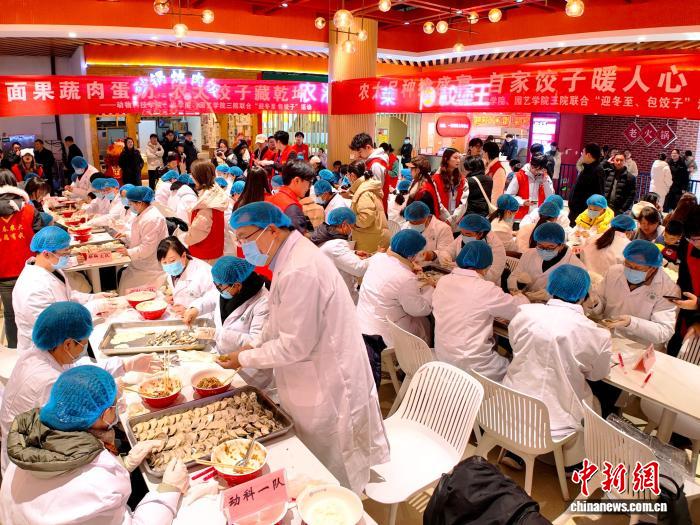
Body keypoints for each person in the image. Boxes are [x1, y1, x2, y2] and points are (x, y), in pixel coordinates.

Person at [221, 202, 389, 492]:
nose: (242, 246)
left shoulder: (300, 269)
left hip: (328, 379)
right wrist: (253, 344)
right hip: (311, 372)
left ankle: (339, 501)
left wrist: (245, 358)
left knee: (333, 465)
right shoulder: (288, 257)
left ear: (271, 230)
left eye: (246, 238)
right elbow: (278, 316)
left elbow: (293, 346)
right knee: (314, 460)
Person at [1, 364, 187, 525]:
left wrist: (124, 464)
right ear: (105, 414)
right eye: (114, 406)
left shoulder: (28, 446)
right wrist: (168, 492)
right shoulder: (101, 486)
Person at [0, 301, 152, 474]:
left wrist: (125, 364)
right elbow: (76, 429)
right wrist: (113, 406)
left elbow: (78, 370)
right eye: (83, 344)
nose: (82, 349)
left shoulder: (42, 353)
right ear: (68, 344)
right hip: (37, 463)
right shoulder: (48, 382)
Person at [502, 265, 612, 466]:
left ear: (550, 288)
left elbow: (515, 345)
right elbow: (597, 375)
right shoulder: (596, 333)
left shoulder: (525, 313)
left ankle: (515, 452)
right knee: (592, 401)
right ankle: (572, 464)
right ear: (585, 296)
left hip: (508, 409)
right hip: (554, 423)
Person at [434, 240, 529, 381]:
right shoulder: (485, 289)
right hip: (473, 365)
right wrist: (520, 295)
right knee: (515, 371)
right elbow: (519, 309)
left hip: (443, 356)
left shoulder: (443, 281)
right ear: (487, 265)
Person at [587, 240, 679, 348]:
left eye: (637, 268)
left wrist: (631, 323)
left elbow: (663, 332)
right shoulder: (614, 272)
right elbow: (601, 305)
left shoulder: (668, 289)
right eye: (628, 265)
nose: (630, 270)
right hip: (608, 335)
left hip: (639, 346)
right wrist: (595, 303)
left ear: (653, 268)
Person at [357, 228, 434, 354]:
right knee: (424, 323)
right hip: (383, 336)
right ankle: (420, 358)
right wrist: (431, 288)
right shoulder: (405, 277)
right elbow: (419, 310)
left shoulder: (378, 258)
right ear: (412, 255)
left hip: (363, 323)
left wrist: (409, 267)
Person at [183, 256, 269, 367]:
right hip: (222, 355)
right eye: (216, 285)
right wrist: (195, 309)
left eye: (219, 286)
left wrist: (216, 334)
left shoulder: (263, 302)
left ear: (237, 285)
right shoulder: (227, 287)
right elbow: (212, 297)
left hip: (247, 367)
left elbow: (256, 341)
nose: (218, 289)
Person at [0, 172, 41, 349]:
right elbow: (41, 240)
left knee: (11, 315)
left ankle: (15, 353)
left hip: (3, 274)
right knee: (36, 312)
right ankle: (41, 353)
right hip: (30, 271)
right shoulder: (29, 210)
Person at [507, 222, 586, 297]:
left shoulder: (574, 264)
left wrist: (552, 297)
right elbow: (513, 276)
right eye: (540, 246)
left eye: (550, 247)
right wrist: (517, 285)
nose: (544, 250)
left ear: (561, 246)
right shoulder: (529, 254)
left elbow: (578, 293)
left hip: (554, 305)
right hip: (524, 300)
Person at [117, 186, 168, 294]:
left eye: (131, 203)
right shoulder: (143, 214)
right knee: (125, 281)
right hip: (141, 263)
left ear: (140, 203)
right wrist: (127, 235)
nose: (129, 206)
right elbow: (141, 236)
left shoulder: (152, 219)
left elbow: (148, 248)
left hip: (150, 266)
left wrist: (128, 252)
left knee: (131, 289)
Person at [310, 208, 368, 303]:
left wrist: (353, 253)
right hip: (338, 298)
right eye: (352, 226)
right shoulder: (336, 245)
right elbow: (359, 268)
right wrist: (377, 257)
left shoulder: (325, 236)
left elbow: (333, 254)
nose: (352, 230)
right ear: (344, 225)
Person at [667, 206, 700, 356]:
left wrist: (698, 305)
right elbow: (684, 280)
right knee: (676, 350)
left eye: (697, 239)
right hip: (687, 312)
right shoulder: (687, 245)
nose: (693, 243)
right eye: (689, 238)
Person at [438, 214, 506, 285]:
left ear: (480, 234)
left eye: (468, 234)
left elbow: (491, 276)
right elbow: (449, 250)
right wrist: (445, 256)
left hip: (483, 286)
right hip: (460, 282)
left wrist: (462, 271)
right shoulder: (464, 235)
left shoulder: (496, 246)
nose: (464, 237)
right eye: (462, 233)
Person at [156, 236, 215, 316]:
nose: (169, 265)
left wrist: (191, 310)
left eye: (172, 260)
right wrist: (174, 298)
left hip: (201, 319)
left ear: (183, 256)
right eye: (164, 262)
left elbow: (214, 302)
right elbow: (181, 290)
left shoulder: (204, 272)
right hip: (180, 316)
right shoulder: (175, 270)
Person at [186, 160, 228, 264]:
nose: (191, 176)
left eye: (192, 174)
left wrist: (185, 239)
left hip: (204, 253)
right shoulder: (215, 193)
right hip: (215, 249)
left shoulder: (207, 204)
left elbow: (198, 232)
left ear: (198, 177)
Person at [348, 160, 389, 252]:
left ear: (352, 175)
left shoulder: (364, 192)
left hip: (371, 240)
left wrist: (351, 221)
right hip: (376, 235)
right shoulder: (367, 187)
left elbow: (365, 219)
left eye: (347, 175)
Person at [265, 159, 314, 234]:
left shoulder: (272, 198)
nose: (309, 187)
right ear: (297, 180)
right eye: (309, 182)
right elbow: (297, 239)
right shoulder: (292, 208)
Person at [349, 132, 390, 212]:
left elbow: (376, 191)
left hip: (376, 209)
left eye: (360, 152)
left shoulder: (376, 165)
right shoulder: (372, 162)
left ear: (368, 147)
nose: (358, 155)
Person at [402, 201, 453, 265]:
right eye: (411, 222)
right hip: (409, 266)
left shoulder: (443, 228)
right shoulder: (405, 226)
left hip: (432, 267)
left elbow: (447, 253)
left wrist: (433, 255)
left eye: (417, 222)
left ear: (426, 217)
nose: (414, 224)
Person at [505, 154, 554, 220]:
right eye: (534, 168)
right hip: (521, 217)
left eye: (539, 169)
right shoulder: (519, 176)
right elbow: (509, 196)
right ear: (531, 164)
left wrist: (545, 182)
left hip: (538, 217)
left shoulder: (545, 177)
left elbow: (550, 197)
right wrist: (522, 202)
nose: (536, 171)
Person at [568, 143, 605, 226]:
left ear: (588, 155)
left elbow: (599, 194)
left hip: (583, 214)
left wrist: (591, 215)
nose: (582, 155)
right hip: (576, 211)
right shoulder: (587, 168)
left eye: (583, 152)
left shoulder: (597, 171)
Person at [432, 147, 465, 223]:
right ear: (446, 159)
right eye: (455, 158)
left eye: (459, 158)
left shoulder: (462, 179)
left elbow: (464, 202)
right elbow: (437, 201)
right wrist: (448, 219)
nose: (458, 160)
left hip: (457, 220)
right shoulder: (436, 179)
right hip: (441, 220)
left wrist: (453, 219)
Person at [483, 141, 506, 205]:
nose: (482, 153)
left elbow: (497, 193)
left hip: (492, 205)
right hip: (486, 203)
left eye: (483, 151)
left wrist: (493, 209)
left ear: (486, 153)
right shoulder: (488, 165)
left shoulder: (499, 169)